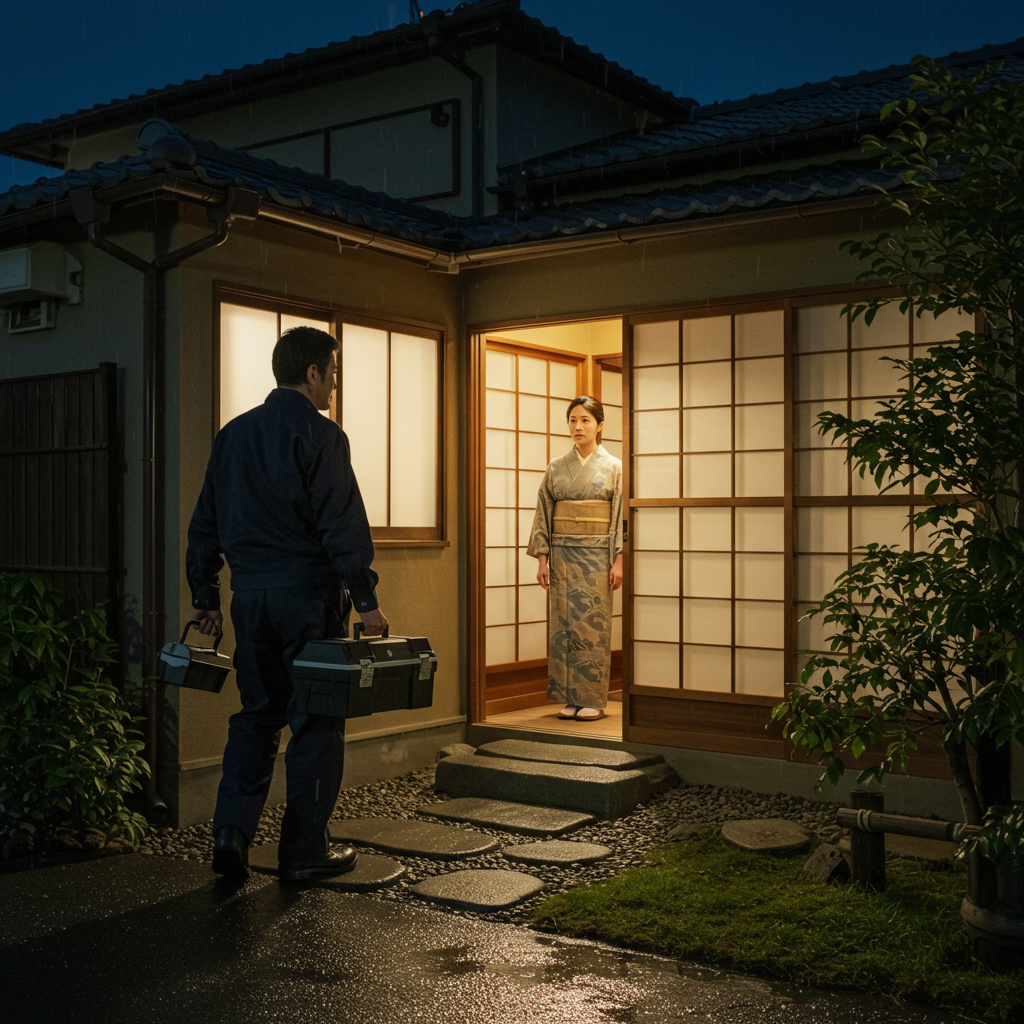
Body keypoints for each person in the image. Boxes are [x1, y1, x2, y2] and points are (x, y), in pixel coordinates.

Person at [186, 325, 388, 883]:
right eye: (333, 375)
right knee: (317, 720)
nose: (334, 388)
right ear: (313, 372)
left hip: (249, 599)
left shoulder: (234, 435)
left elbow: (204, 524)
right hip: (308, 599)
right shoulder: (320, 436)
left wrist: (206, 595)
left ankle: (231, 834)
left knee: (256, 716)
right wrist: (367, 600)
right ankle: (303, 850)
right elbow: (341, 523)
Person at [528, 395, 623, 722]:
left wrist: (619, 560)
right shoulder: (556, 467)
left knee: (591, 627)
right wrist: (543, 558)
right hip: (563, 555)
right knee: (564, 626)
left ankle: (593, 698)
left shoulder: (614, 467)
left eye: (585, 420)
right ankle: (569, 696)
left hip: (598, 556)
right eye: (572, 420)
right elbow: (544, 511)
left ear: (599, 425)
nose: (578, 427)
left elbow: (620, 516)